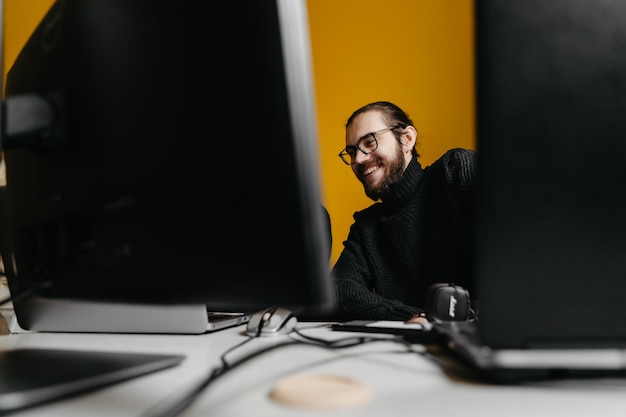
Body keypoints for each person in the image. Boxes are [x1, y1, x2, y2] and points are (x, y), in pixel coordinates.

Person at [331, 101, 477, 323]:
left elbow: (524, 239)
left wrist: (471, 317)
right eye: (352, 152)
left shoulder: (454, 172)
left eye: (369, 143)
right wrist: (416, 318)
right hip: (410, 349)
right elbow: (339, 290)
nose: (358, 159)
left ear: (407, 139)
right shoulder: (366, 227)